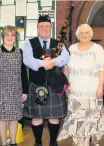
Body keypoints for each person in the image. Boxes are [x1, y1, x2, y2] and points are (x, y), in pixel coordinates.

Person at [22, 15, 70, 146]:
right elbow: (27, 60)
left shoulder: (58, 43)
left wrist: (53, 62)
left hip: (54, 85)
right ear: (37, 28)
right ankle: (38, 142)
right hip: (36, 85)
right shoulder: (28, 43)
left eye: (47, 26)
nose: (44, 28)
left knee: (54, 117)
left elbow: (66, 57)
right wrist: (43, 63)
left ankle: (53, 142)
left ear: (51, 28)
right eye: (41, 26)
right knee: (37, 117)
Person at [57, 24, 104, 146]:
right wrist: (66, 85)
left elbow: (102, 70)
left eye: (87, 32)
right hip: (75, 92)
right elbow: (66, 69)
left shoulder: (98, 49)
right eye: (82, 33)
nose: (84, 35)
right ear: (78, 35)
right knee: (76, 120)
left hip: (91, 92)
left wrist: (100, 86)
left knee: (89, 121)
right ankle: (77, 142)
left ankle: (85, 142)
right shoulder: (72, 49)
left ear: (91, 34)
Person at [0, 25, 28, 146]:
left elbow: (23, 73)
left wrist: (25, 91)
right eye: (7, 35)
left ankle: (13, 142)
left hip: (16, 90)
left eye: (12, 35)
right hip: (0, 90)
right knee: (2, 118)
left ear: (16, 38)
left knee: (14, 117)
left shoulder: (20, 52)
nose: (10, 37)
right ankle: (3, 143)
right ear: (3, 37)